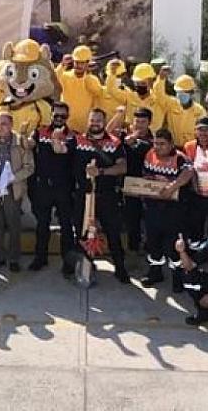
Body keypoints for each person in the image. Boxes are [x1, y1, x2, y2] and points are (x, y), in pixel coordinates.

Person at [72, 108, 130, 284]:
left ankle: (120, 268)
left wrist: (101, 171)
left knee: (113, 232)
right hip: (84, 194)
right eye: (92, 120)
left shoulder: (114, 142)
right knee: (82, 234)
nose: (94, 123)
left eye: (98, 120)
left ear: (104, 122)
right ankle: (85, 269)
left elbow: (122, 167)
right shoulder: (77, 140)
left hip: (107, 196)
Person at [139, 129, 195, 290]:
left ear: (170, 144)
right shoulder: (150, 154)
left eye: (162, 144)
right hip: (153, 207)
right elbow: (145, 175)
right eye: (155, 143)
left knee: (174, 244)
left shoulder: (180, 157)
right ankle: (155, 272)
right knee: (153, 241)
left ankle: (178, 277)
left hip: (174, 210)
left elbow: (189, 172)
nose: (158, 147)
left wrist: (172, 185)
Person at [0, 111, 34, 272]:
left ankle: (14, 259)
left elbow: (29, 167)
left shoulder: (19, 142)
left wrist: (13, 178)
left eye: (3, 124)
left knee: (13, 224)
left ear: (11, 125)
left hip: (11, 188)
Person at [29, 101, 76, 272]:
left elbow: (61, 151)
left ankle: (68, 262)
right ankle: (40, 258)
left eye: (63, 116)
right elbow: (29, 145)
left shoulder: (72, 136)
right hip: (43, 186)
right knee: (42, 224)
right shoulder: (40, 131)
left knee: (66, 226)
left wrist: (56, 139)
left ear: (67, 117)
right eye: (56, 115)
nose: (59, 118)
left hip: (64, 187)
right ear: (51, 115)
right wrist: (23, 136)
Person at [118, 107, 154, 253]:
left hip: (148, 184)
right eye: (137, 121)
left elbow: (150, 150)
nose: (139, 124)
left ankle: (150, 248)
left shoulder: (153, 139)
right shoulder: (124, 136)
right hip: (129, 183)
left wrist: (134, 142)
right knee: (132, 218)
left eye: (143, 121)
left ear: (149, 122)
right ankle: (133, 248)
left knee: (149, 218)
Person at [104, 61, 171, 132]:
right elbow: (111, 90)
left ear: (151, 82)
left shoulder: (158, 99)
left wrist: (161, 79)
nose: (139, 86)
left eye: (143, 83)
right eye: (137, 83)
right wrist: (112, 73)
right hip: (131, 138)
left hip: (153, 140)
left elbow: (159, 91)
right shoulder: (129, 96)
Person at [56, 45, 102, 133]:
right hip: (65, 125)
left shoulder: (92, 79)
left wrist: (88, 74)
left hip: (84, 128)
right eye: (76, 62)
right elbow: (53, 80)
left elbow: (97, 92)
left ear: (88, 63)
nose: (78, 65)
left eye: (82, 62)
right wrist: (62, 65)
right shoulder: (65, 76)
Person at [163, 74, 206, 146]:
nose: (181, 94)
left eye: (185, 92)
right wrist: (161, 78)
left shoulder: (199, 111)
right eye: (179, 92)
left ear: (192, 92)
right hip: (172, 147)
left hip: (191, 149)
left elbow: (203, 132)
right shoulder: (171, 104)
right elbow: (159, 95)